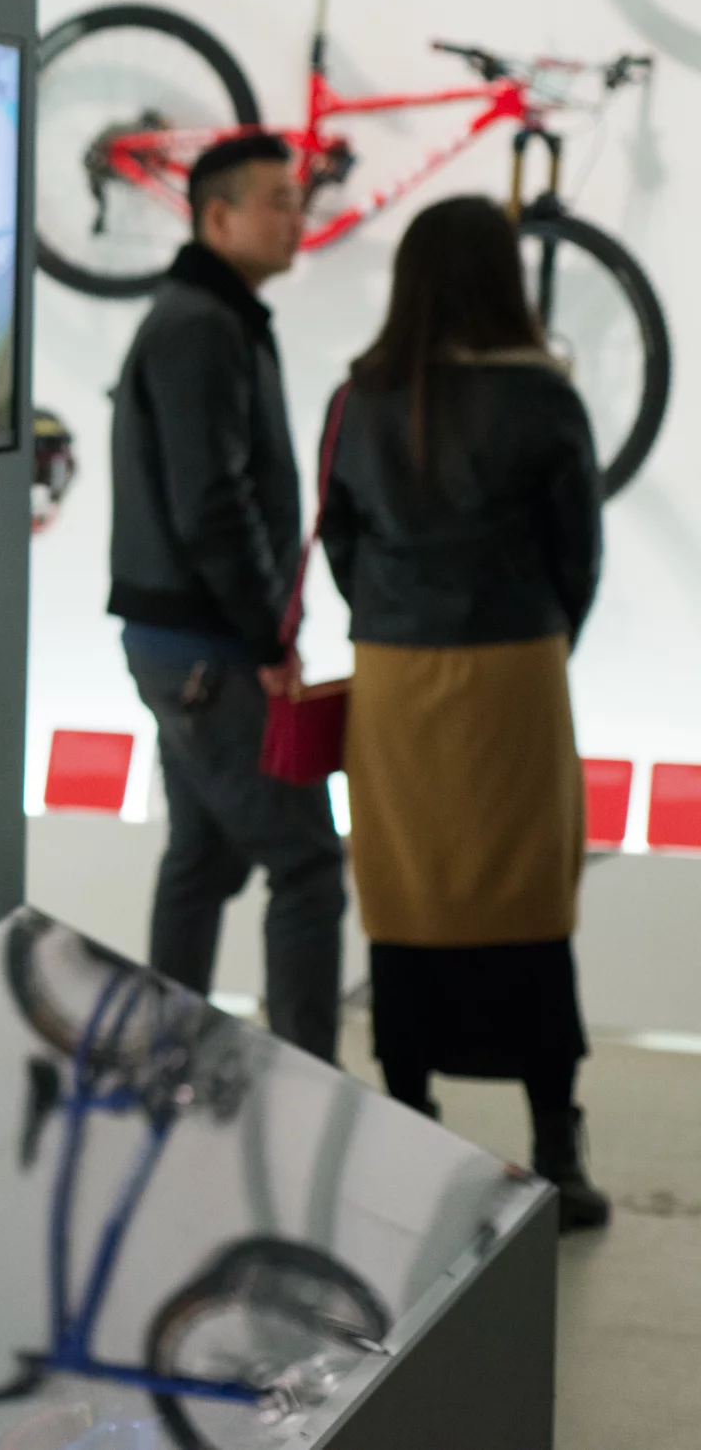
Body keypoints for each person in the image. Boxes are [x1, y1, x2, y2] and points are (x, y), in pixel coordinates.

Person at [319, 195, 608, 1229]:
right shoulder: (545, 397)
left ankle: (406, 1121)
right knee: (531, 904)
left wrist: (392, 620)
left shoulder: (362, 393)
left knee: (407, 901)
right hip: (514, 672)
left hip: (394, 675)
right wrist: (540, 631)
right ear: (505, 277)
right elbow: (580, 554)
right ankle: (555, 1144)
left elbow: (342, 542)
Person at [108, 131, 343, 1060]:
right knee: (309, 863)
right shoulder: (202, 326)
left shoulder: (212, 316)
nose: (299, 218)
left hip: (186, 641)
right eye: (280, 202)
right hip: (206, 645)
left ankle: (169, 1056)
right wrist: (267, 635)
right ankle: (311, 1081)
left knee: (203, 858)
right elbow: (214, 501)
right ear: (218, 216)